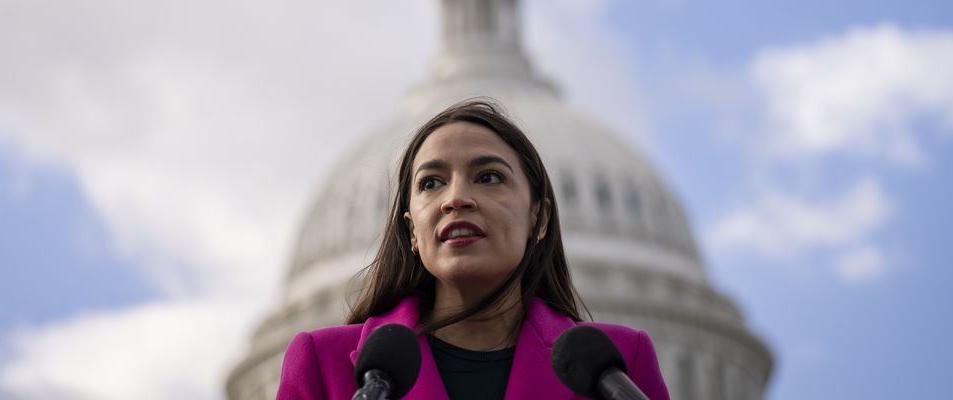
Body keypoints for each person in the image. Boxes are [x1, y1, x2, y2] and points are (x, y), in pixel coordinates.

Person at [276, 99, 669, 400]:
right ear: (412, 230)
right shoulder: (324, 363)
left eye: (488, 177)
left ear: (540, 217)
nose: (456, 198)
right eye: (431, 183)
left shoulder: (618, 366)